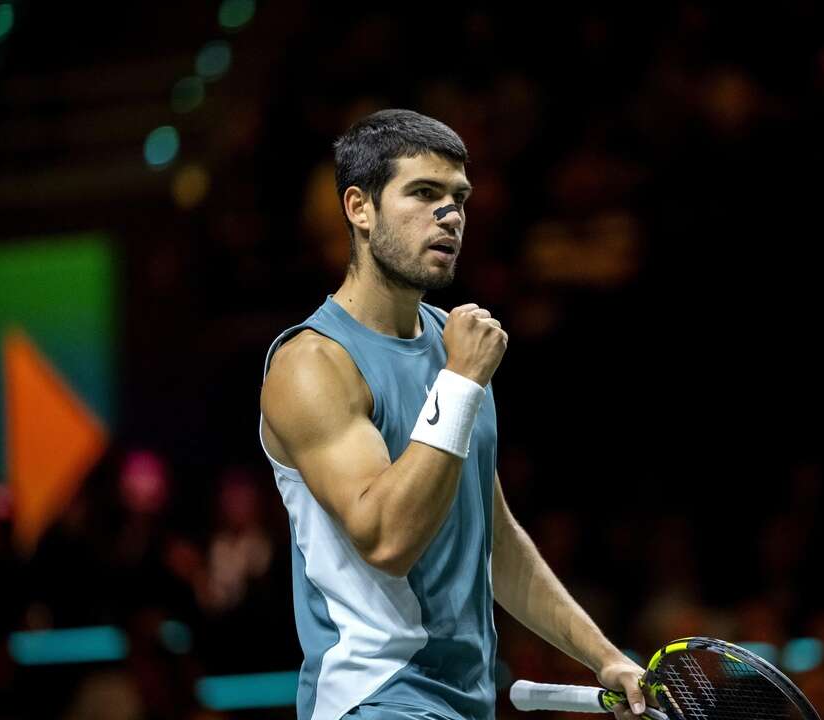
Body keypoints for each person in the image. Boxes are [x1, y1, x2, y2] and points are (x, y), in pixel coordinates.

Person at [258, 109, 648, 720]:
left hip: (465, 703)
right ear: (359, 208)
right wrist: (461, 382)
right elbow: (386, 537)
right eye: (424, 194)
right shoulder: (311, 364)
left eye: (459, 198)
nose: (450, 216)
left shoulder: (453, 343)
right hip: (374, 701)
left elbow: (493, 541)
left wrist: (606, 656)